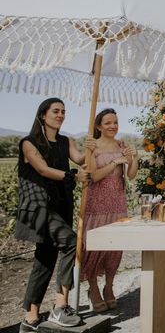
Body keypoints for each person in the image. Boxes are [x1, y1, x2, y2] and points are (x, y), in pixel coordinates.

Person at [15, 98, 91, 332]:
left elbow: (80, 159)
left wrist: (91, 148)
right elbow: (42, 169)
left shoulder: (65, 141)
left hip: (60, 205)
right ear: (42, 115)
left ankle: (30, 319)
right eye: (55, 111)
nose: (61, 115)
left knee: (45, 260)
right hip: (38, 208)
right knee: (71, 242)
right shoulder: (28, 143)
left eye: (63, 112)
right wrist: (73, 176)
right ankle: (60, 307)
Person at [81, 108, 138, 311]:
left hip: (117, 203)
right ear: (98, 126)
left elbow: (130, 175)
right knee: (95, 247)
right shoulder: (92, 147)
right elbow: (93, 176)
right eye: (108, 123)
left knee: (114, 248)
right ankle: (94, 288)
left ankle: (109, 287)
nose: (113, 126)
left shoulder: (121, 145)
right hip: (97, 203)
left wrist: (134, 157)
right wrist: (115, 161)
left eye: (115, 122)